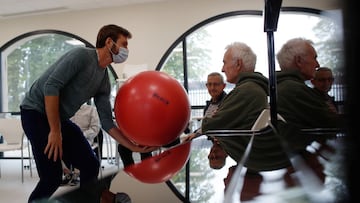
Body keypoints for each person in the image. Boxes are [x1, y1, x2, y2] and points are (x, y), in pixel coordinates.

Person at [20, 24, 157, 203]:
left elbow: (107, 121)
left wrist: (132, 146)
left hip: (58, 119)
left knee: (90, 165)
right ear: (109, 42)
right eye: (124, 44)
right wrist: (55, 131)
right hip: (34, 113)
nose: (126, 50)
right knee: (51, 178)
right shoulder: (81, 56)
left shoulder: (103, 81)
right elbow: (51, 86)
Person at [276, 37, 342, 183]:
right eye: (315, 58)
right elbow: (331, 122)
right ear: (299, 61)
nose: (317, 64)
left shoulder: (285, 87)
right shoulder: (294, 89)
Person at [61, 103, 101, 186]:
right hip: (68, 138)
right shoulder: (67, 109)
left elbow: (95, 128)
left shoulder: (91, 110)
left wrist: (82, 134)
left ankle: (77, 173)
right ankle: (67, 172)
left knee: (78, 147)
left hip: (85, 137)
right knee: (56, 147)